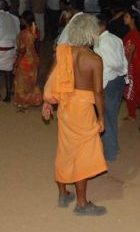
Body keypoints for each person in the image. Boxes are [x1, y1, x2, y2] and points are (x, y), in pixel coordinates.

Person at [42, 13, 108, 215]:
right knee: (83, 155)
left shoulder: (63, 52)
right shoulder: (94, 59)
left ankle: (63, 194)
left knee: (65, 149)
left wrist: (47, 102)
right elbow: (98, 92)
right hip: (83, 110)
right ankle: (81, 204)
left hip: (65, 107)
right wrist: (101, 117)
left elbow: (50, 78)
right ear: (92, 34)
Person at [94, 13, 128, 162]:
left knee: (106, 116)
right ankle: (114, 145)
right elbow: (123, 59)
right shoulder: (116, 38)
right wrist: (122, 72)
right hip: (117, 79)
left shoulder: (102, 42)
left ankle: (110, 152)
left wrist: (118, 71)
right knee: (111, 115)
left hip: (108, 81)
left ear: (101, 26)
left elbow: (114, 62)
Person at [122, 10, 140, 120]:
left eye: (126, 16)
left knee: (131, 89)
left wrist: (127, 66)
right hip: (134, 64)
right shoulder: (133, 32)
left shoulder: (134, 33)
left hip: (133, 65)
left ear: (133, 19)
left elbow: (132, 51)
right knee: (136, 88)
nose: (124, 18)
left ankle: (132, 114)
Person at [13, 12, 43, 112]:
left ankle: (24, 103)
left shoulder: (24, 33)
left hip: (25, 61)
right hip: (33, 59)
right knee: (31, 81)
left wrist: (16, 63)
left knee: (22, 83)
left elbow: (22, 50)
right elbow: (36, 46)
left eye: (22, 18)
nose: (20, 20)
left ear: (25, 20)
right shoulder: (35, 31)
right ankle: (31, 100)